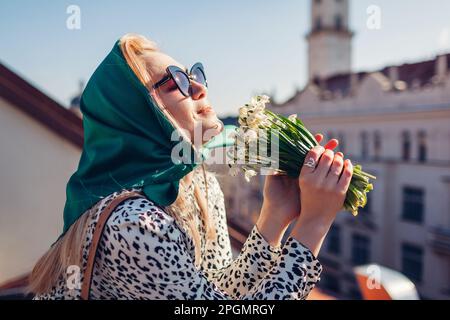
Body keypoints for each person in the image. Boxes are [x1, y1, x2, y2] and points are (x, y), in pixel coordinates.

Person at [30, 33, 353, 300]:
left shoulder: (199, 183)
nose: (199, 87)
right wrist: (313, 225)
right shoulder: (132, 224)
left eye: (195, 75)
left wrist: (274, 216)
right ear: (137, 113)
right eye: (177, 82)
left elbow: (217, 291)